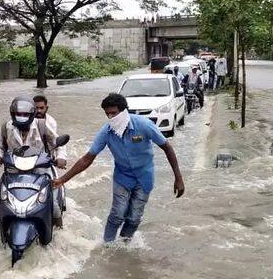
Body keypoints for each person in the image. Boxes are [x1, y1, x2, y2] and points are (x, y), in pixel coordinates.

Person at [53, 93, 184, 244]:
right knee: (117, 214)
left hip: (144, 176)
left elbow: (167, 147)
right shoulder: (106, 132)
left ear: (124, 111)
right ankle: (107, 245)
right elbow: (87, 159)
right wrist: (62, 179)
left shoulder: (144, 125)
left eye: (113, 113)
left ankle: (124, 245)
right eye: (107, 114)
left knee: (134, 217)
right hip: (122, 177)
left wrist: (178, 178)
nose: (111, 117)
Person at [0, 96, 61, 235]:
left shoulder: (41, 125)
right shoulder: (6, 127)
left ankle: (60, 233)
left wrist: (61, 158)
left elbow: (57, 143)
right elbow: (1, 146)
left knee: (54, 207)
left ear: (31, 114)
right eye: (18, 114)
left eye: (25, 114)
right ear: (13, 114)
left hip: (39, 172)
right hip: (14, 173)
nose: (22, 117)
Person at [33, 94, 67, 169]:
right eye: (36, 108)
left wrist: (61, 157)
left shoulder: (50, 122)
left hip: (45, 157)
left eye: (42, 108)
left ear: (46, 108)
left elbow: (55, 141)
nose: (39, 111)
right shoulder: (25, 120)